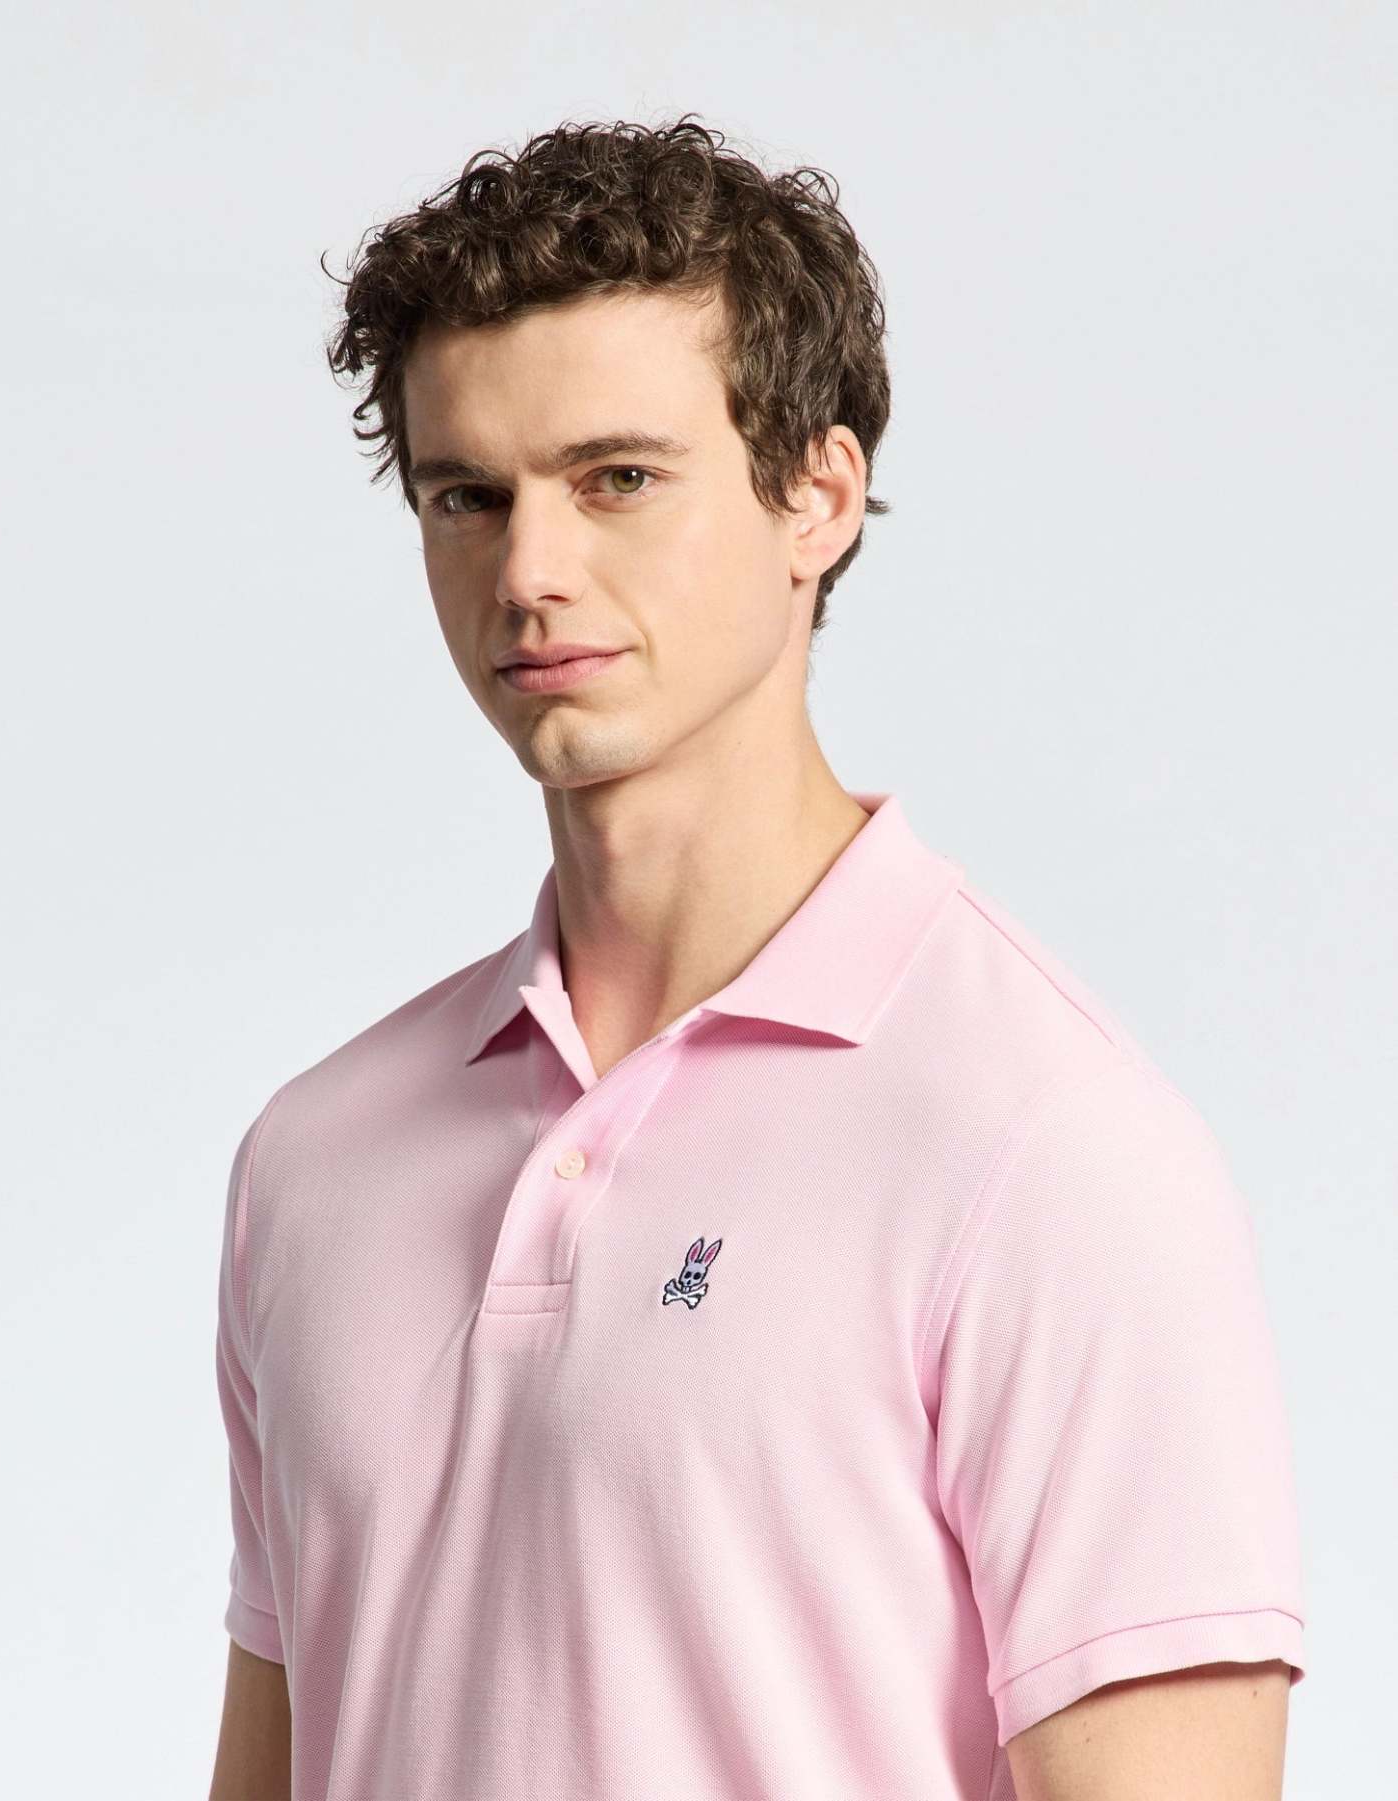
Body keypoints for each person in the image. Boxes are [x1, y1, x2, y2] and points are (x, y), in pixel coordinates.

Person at [209, 116, 1306, 1801]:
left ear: (818, 495)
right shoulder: (315, 1157)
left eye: (617, 479)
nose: (529, 572)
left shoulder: (1045, 1148)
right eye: (467, 496)